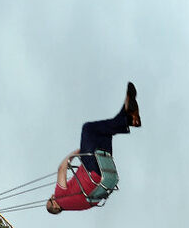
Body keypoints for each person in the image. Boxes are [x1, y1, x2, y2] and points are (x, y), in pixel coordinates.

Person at [46, 83, 140, 214]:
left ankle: (128, 115)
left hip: (106, 173)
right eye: (50, 200)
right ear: (55, 206)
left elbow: (95, 200)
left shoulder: (79, 207)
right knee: (88, 128)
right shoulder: (59, 196)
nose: (52, 196)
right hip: (92, 169)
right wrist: (74, 154)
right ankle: (128, 119)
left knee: (106, 132)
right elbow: (61, 169)